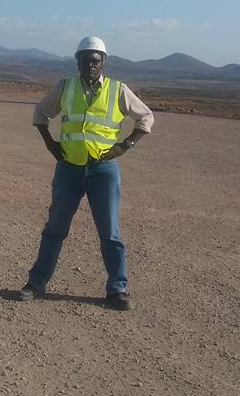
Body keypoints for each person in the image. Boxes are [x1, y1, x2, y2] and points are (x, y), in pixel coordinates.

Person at [18, 36, 153, 311]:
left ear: (103, 62)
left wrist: (125, 145)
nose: (91, 64)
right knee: (55, 229)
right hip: (69, 168)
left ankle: (118, 289)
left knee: (110, 232)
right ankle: (36, 283)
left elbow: (146, 117)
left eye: (96, 59)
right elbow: (40, 113)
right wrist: (50, 143)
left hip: (104, 170)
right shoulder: (65, 87)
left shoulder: (117, 89)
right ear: (77, 61)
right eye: (86, 59)